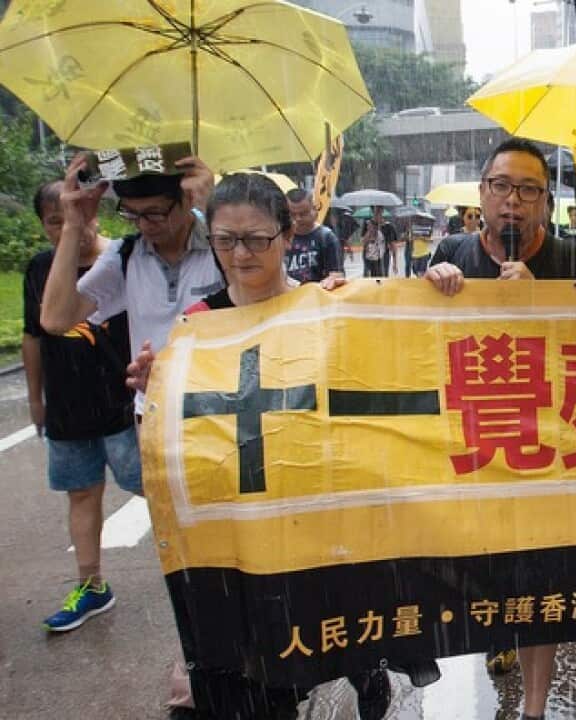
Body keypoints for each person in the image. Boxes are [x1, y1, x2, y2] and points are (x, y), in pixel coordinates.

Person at [128, 173, 406, 720]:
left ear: (286, 237)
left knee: (334, 619)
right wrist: (157, 388)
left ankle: (363, 666)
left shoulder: (323, 308)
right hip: (244, 517)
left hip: (317, 505)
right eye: (226, 240)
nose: (240, 253)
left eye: (256, 238)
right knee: (258, 669)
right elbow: (170, 446)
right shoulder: (197, 328)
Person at [424, 138, 576, 720]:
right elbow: (414, 339)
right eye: (502, 187)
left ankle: (535, 705)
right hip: (475, 444)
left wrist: (542, 303)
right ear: (482, 195)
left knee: (538, 576)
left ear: (546, 202)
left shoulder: (574, 262)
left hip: (545, 447)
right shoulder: (449, 251)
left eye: (528, 190)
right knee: (488, 569)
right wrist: (437, 282)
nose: (513, 202)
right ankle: (498, 630)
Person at [23, 180, 140, 633]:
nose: (70, 227)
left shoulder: (124, 259)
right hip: (69, 410)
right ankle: (92, 586)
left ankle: (202, 577)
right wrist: (37, 399)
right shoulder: (40, 269)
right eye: (55, 222)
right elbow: (35, 335)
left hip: (123, 404)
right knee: (82, 493)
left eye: (79, 216)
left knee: (155, 487)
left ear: (95, 211)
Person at [40, 153, 223, 419]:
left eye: (156, 213)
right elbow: (56, 320)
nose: (144, 224)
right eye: (132, 213)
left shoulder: (224, 249)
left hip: (223, 409)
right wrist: (73, 226)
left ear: (189, 198)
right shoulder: (124, 257)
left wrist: (216, 211)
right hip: (155, 413)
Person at [284, 189, 344, 283]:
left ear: (314, 211)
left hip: (318, 295)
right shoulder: (279, 238)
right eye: (292, 215)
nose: (297, 219)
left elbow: (336, 274)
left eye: (303, 214)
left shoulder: (326, 238)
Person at [360, 206, 396, 278]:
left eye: (380, 209)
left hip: (383, 258)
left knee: (383, 279)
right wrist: (369, 230)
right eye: (376, 210)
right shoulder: (367, 224)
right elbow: (363, 242)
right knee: (369, 281)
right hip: (369, 258)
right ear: (372, 211)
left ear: (382, 210)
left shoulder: (388, 226)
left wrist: (395, 263)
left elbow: (392, 245)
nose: (378, 212)